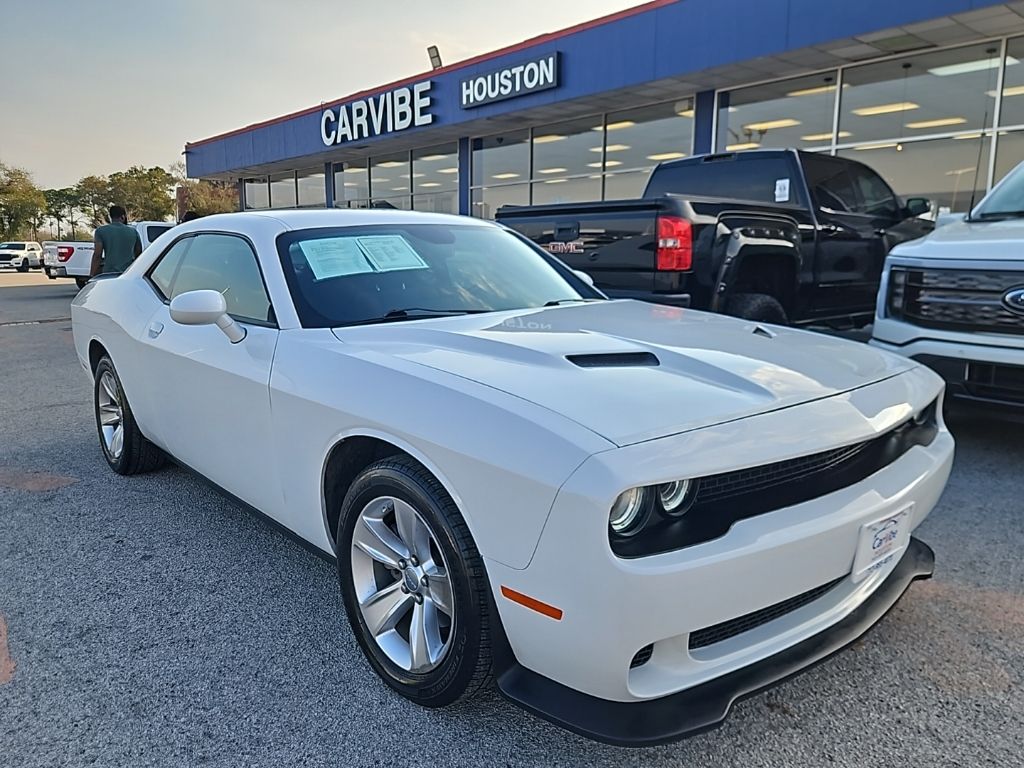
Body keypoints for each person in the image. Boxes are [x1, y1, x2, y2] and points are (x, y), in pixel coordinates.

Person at [90, 205, 142, 278]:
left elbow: (97, 255)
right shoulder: (133, 232)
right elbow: (138, 254)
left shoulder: (100, 231)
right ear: (123, 217)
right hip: (128, 273)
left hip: (109, 273)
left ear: (111, 217)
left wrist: (92, 274)